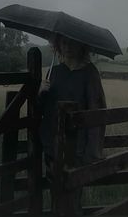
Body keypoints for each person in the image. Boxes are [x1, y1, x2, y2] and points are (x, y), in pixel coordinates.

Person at [38, 34, 107, 216]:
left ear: (81, 46)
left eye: (73, 42)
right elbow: (43, 110)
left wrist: (92, 150)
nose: (68, 46)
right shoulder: (54, 71)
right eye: (64, 42)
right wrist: (41, 93)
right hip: (52, 143)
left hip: (78, 145)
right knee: (56, 192)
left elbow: (97, 110)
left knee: (73, 194)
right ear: (58, 45)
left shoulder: (89, 72)